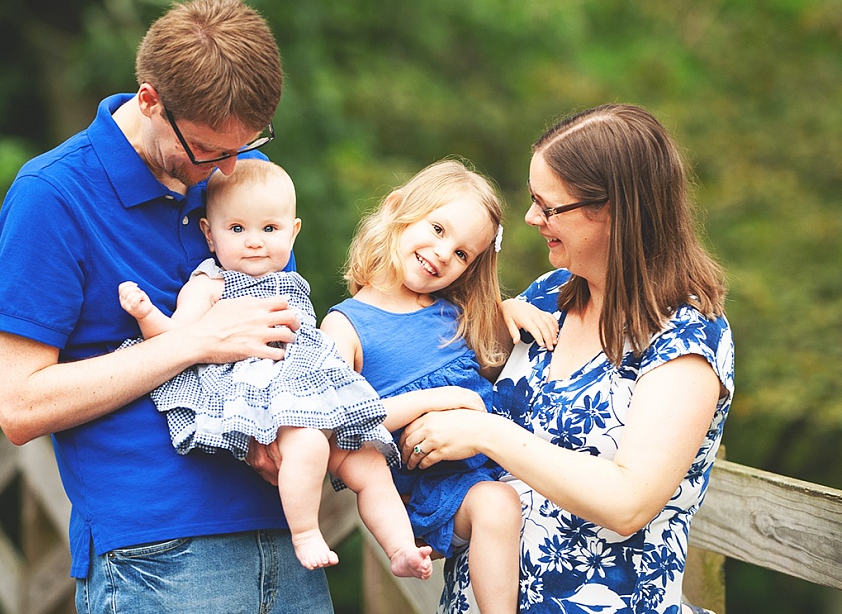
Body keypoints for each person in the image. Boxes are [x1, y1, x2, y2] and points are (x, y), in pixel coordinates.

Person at [0, 0, 337, 613]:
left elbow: (285, 335)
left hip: (289, 531)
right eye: (208, 150)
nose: (228, 167)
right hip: (155, 554)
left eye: (246, 145)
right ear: (150, 100)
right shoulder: (52, 195)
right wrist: (192, 342)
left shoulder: (245, 175)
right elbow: (18, 404)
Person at [399, 105, 734, 614]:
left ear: (614, 211)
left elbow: (629, 503)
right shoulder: (548, 296)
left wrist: (487, 432)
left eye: (549, 207)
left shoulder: (687, 338)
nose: (532, 218)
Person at [117, 159, 433, 579]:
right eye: (237, 229)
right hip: (263, 397)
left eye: (269, 230)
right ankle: (304, 532)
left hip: (314, 390)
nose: (254, 242)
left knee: (369, 464)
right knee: (308, 445)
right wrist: (145, 315)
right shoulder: (210, 283)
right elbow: (176, 339)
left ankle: (401, 548)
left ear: (293, 232)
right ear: (210, 236)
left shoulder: (291, 281)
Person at [320, 159, 560, 614]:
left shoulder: (456, 313)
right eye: (436, 228)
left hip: (492, 467)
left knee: (518, 501)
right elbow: (334, 425)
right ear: (396, 210)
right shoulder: (346, 325)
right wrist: (440, 399)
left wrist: (512, 309)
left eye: (463, 253)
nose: (443, 253)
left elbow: (498, 361)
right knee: (497, 506)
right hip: (427, 484)